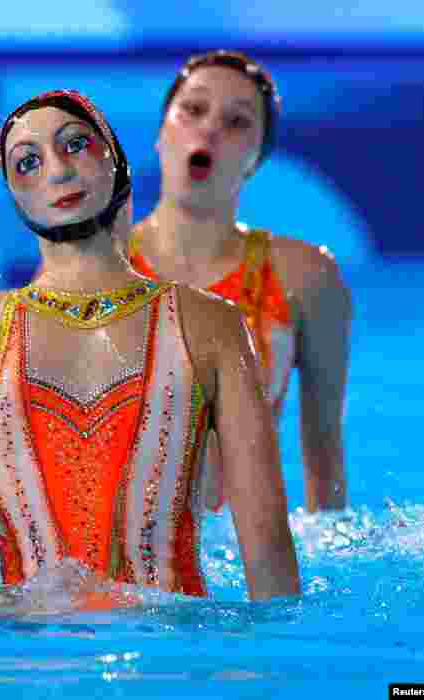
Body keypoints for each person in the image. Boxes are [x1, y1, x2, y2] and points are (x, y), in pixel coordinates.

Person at [0, 90, 300, 602]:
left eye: (75, 144)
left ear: (116, 161)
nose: (57, 171)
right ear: (14, 198)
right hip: (19, 669)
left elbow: (267, 544)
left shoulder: (210, 325)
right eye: (28, 163)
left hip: (172, 659)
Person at [127, 50, 351, 512]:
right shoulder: (92, 267)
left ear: (256, 159)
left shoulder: (305, 277)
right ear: (160, 132)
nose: (209, 128)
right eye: (193, 109)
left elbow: (323, 457)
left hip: (237, 553)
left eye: (237, 122)